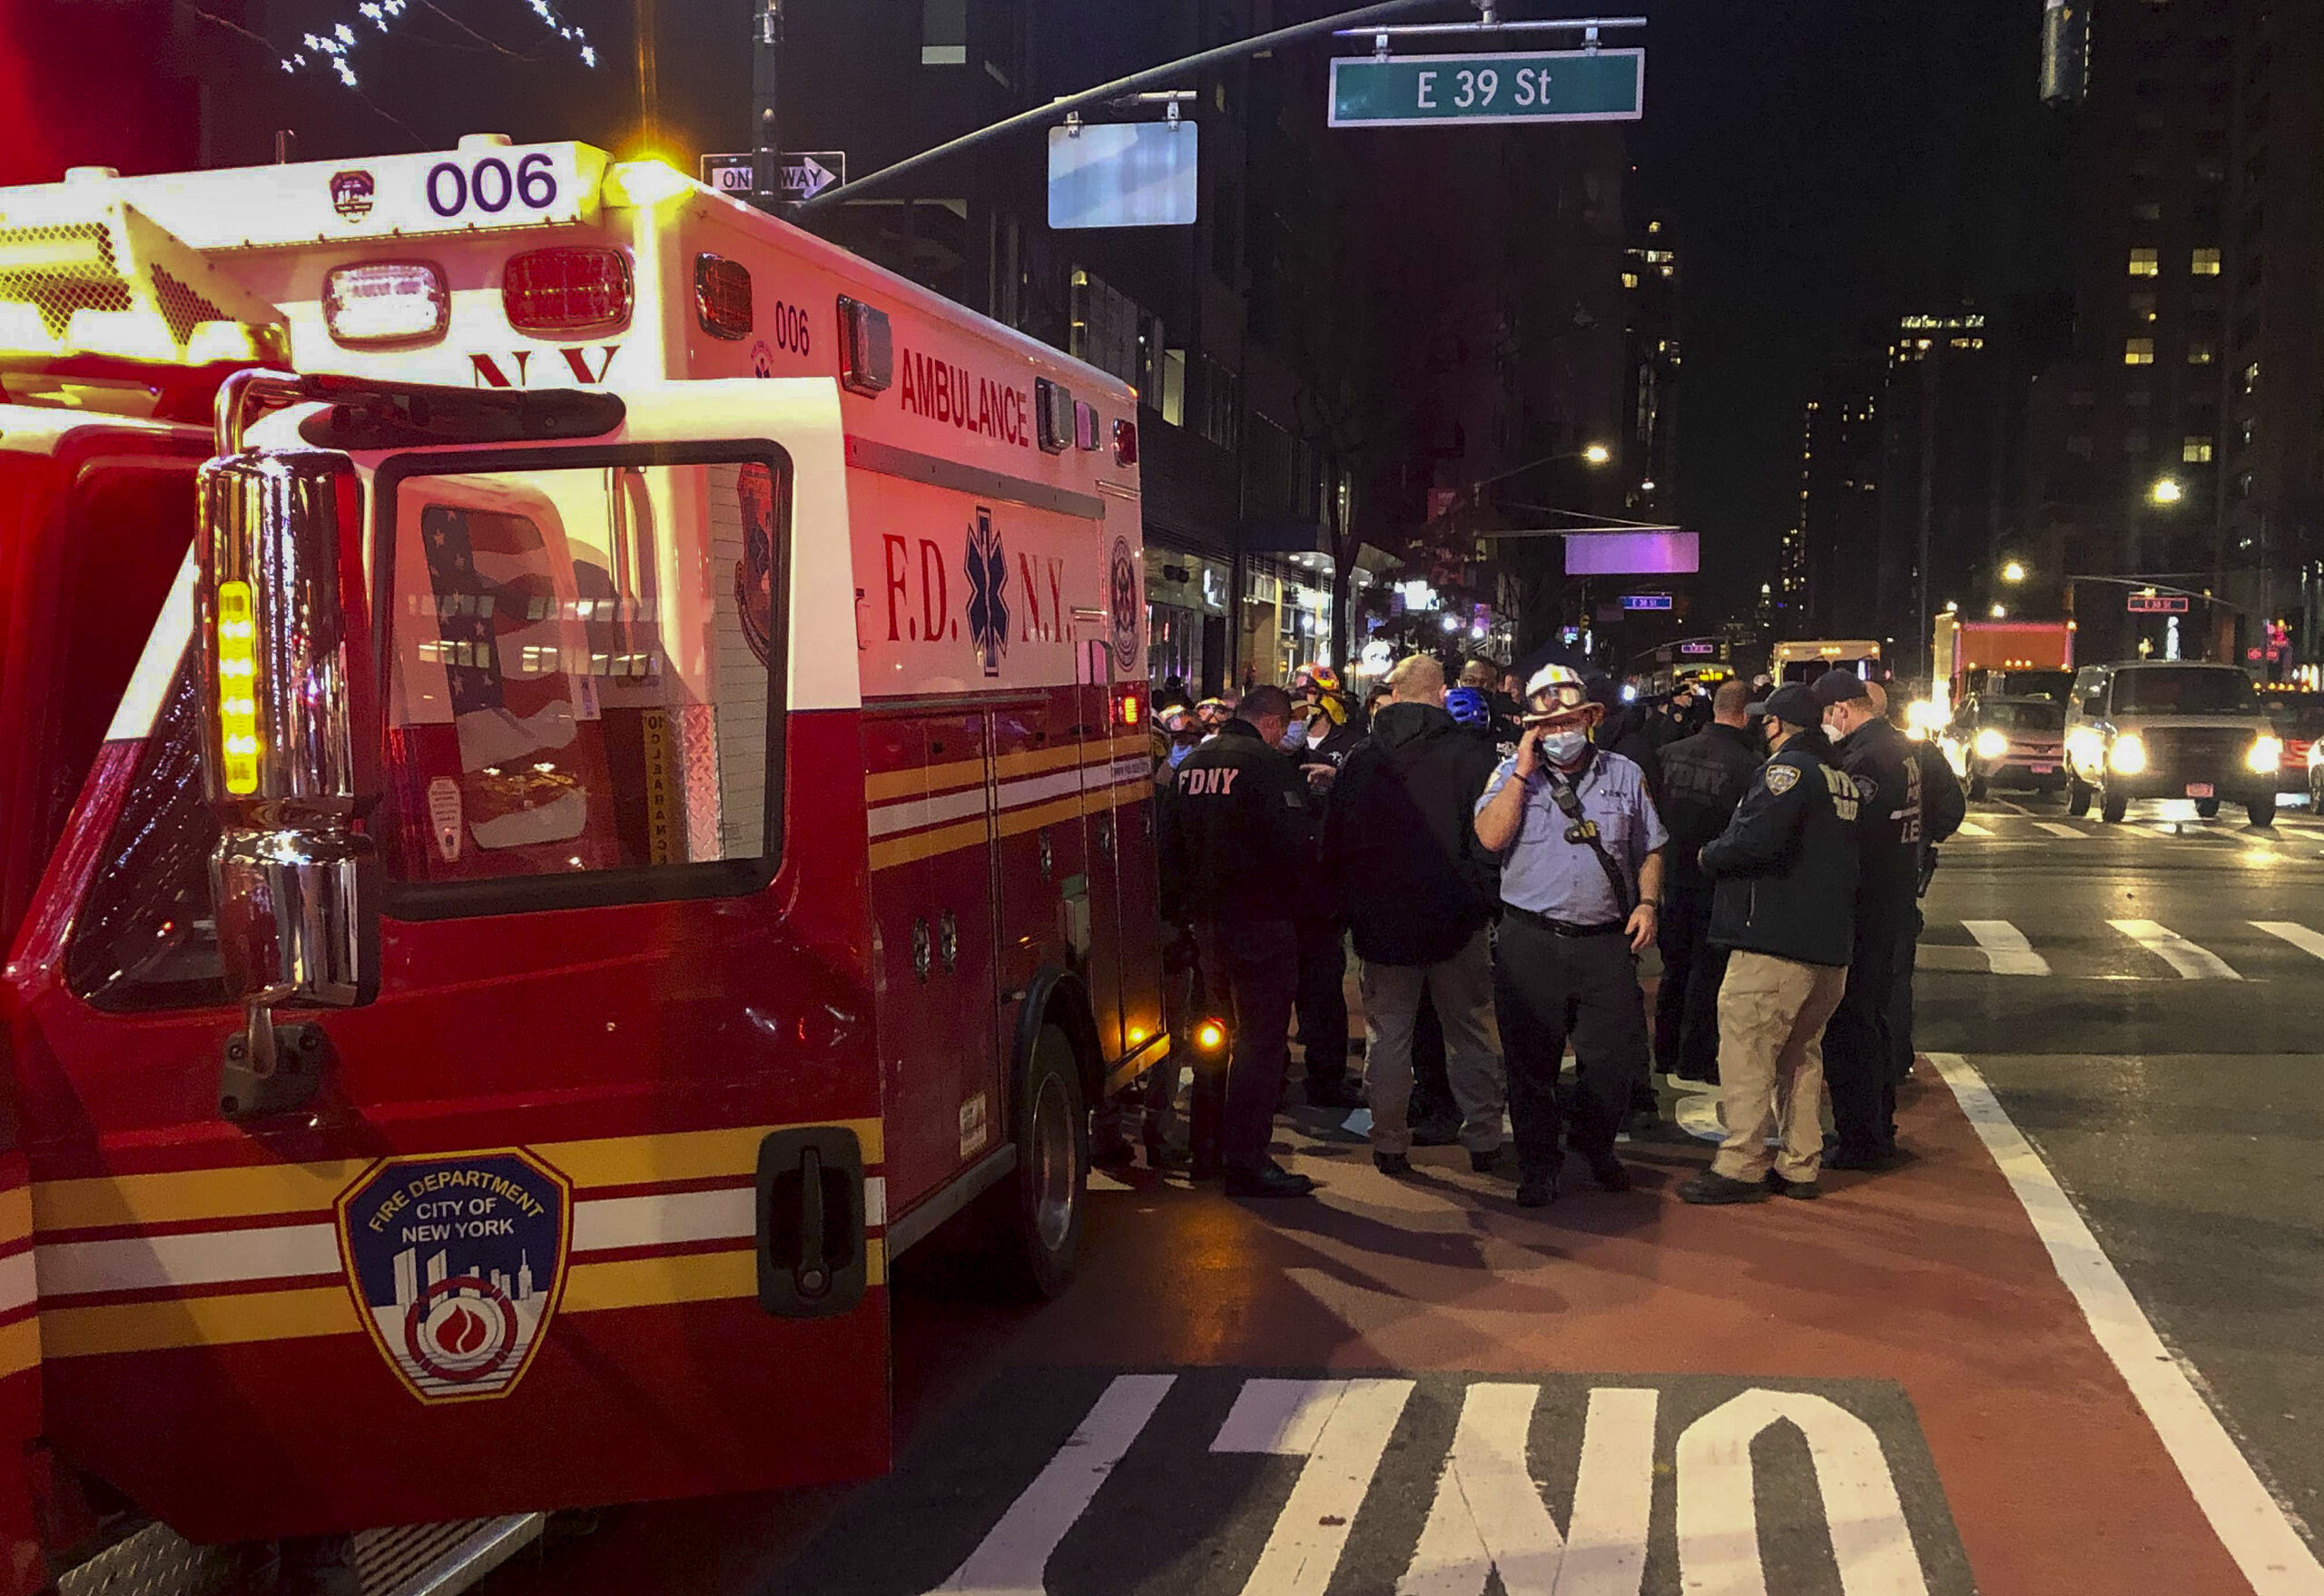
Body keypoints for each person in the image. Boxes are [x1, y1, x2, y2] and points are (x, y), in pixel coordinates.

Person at [1474, 662, 1667, 1207]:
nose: (1561, 731)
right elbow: (1489, 838)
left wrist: (1648, 903)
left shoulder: (1625, 774)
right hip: (1529, 940)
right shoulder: (1509, 775)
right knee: (1530, 1062)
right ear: (1532, 728)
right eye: (1549, 724)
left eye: (1570, 720)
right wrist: (1521, 770)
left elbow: (1650, 847)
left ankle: (1595, 1146)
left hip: (1605, 941)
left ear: (1591, 718)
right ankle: (1539, 1164)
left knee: (1610, 1062)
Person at [1678, 683, 1862, 1204]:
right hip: (1828, 947)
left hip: (1775, 942)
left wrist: (1707, 855)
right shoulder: (1840, 778)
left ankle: (1740, 1162)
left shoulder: (1787, 772)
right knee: (1800, 1056)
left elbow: (1755, 839)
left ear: (1778, 724)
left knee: (1747, 1052)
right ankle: (1800, 1162)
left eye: (1768, 721)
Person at [1325, 656, 1508, 1177]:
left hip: (1382, 925)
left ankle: (1389, 1142)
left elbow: (1337, 845)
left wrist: (1353, 908)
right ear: (1440, 693)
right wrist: (1480, 901)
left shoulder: (1363, 760)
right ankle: (1484, 1138)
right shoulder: (1470, 757)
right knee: (1469, 1032)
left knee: (1388, 1038)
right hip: (1457, 921)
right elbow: (1490, 842)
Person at [1158, 684, 1317, 1197]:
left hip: (1206, 927)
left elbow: (1169, 846)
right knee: (1259, 1042)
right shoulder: (1269, 768)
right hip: (1260, 923)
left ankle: (1204, 1147)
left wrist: (1180, 916)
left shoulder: (1192, 765)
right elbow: (1296, 848)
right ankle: (1246, 1159)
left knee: (1211, 1032)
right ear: (1270, 721)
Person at [1814, 670, 1923, 1169]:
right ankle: (1876, 1126)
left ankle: (1861, 1136)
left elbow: (1846, 828)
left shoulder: (1865, 759)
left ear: (1840, 710)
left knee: (1851, 1022)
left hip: (1868, 902)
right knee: (1874, 1018)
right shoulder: (1900, 746)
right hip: (1894, 896)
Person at [1651, 679, 1762, 1084]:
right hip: (1719, 881)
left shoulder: (1667, 755)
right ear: (1746, 715)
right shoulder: (1749, 766)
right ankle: (1696, 1057)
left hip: (1669, 877)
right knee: (1710, 973)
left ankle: (1663, 1052)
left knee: (1674, 968)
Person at [1286, 663, 1365, 1109]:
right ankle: (1272, 1076)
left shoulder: (1351, 747)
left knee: (1323, 987)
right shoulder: (1278, 747)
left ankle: (1327, 1076)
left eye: (1312, 695)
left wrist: (1338, 784)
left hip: (1326, 885)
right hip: (1283, 885)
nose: (1306, 704)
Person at [1877, 681, 1965, 1083]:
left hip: (1867, 884)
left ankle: (1884, 1059)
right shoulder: (1920, 752)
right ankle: (1896, 1058)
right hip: (1905, 878)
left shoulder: (1855, 753)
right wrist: (1924, 837)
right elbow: (1952, 809)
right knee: (1896, 975)